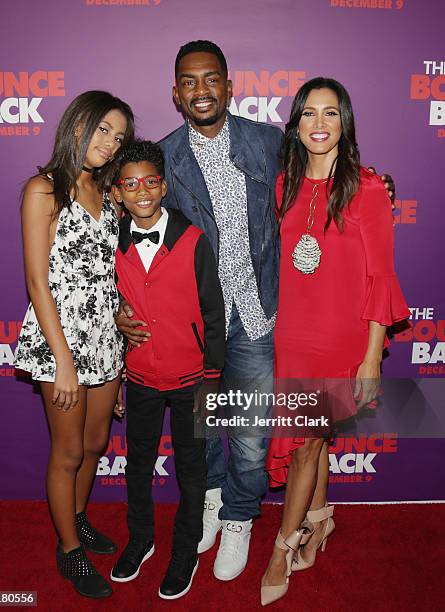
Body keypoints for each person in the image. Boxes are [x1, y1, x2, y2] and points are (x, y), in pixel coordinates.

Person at [116, 40, 396, 581]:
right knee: (207, 423)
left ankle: (242, 516)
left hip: (263, 316)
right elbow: (131, 221)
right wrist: (119, 308)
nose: (202, 90)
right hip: (199, 321)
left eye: (211, 79)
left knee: (247, 430)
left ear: (228, 85)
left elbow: (326, 176)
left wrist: (379, 186)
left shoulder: (269, 144)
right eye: (190, 82)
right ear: (176, 93)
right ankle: (216, 502)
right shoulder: (165, 159)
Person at [260, 78, 409, 606]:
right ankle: (319, 521)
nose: (319, 125)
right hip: (293, 335)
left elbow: (380, 278)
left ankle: (281, 547)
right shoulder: (283, 185)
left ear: (344, 123)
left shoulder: (368, 189)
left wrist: (372, 356)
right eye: (309, 114)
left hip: (342, 340)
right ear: (296, 125)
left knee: (304, 445)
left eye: (330, 114)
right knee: (314, 440)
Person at [14, 90, 134, 599]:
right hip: (58, 341)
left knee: (95, 444)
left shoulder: (107, 195)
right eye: (102, 129)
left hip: (104, 339)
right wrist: (62, 361)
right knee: (66, 453)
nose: (109, 143)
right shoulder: (44, 190)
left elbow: (111, 276)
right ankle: (68, 552)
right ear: (78, 124)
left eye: (119, 136)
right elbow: (38, 282)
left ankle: (78, 518)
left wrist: (121, 345)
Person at [110, 140, 225, 599]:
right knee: (137, 464)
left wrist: (212, 378)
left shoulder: (194, 240)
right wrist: (118, 358)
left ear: (163, 186)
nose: (142, 191)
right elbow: (105, 304)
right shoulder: (112, 240)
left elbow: (214, 314)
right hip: (138, 378)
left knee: (192, 471)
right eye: (130, 184)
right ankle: (141, 539)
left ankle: (184, 551)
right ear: (117, 192)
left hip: (193, 381)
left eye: (150, 182)